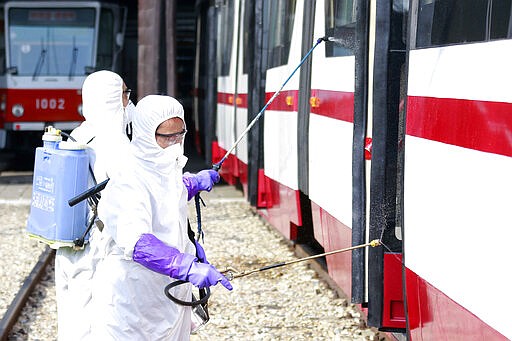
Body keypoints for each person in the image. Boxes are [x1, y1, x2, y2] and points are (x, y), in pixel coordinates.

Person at [89, 95, 231, 340]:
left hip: (164, 294)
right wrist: (184, 265)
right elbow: (137, 243)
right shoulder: (128, 177)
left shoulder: (164, 165)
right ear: (145, 135)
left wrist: (192, 183)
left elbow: (166, 192)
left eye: (180, 134)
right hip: (132, 298)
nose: (175, 143)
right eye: (167, 137)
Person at [55, 70, 133, 340]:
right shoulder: (118, 144)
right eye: (125, 94)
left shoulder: (77, 134)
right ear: (114, 99)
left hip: (72, 244)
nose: (128, 102)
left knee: (73, 316)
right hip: (102, 248)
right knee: (101, 322)